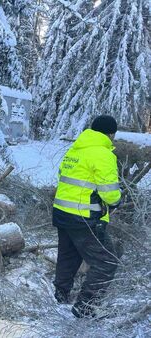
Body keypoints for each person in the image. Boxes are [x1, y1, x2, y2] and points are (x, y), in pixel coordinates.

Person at [52, 115, 122, 318]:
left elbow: (62, 177)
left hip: (62, 213)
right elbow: (110, 193)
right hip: (84, 218)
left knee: (68, 256)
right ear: (110, 134)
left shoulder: (75, 149)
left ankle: (59, 295)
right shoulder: (103, 153)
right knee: (106, 262)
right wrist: (116, 201)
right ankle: (85, 308)